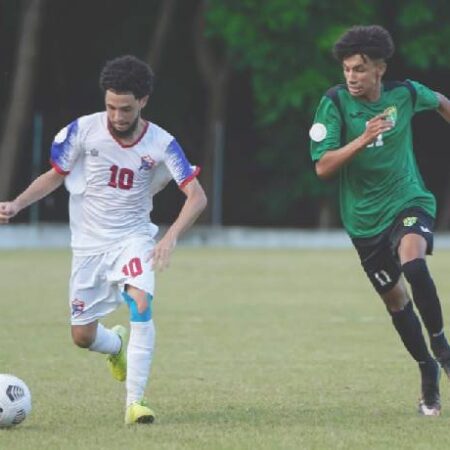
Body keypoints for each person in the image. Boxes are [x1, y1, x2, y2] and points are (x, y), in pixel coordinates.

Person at [0, 55, 207, 424]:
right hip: (88, 247)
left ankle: (135, 403)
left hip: (132, 238)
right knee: (82, 336)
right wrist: (16, 204)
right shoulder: (81, 131)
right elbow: (54, 175)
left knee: (141, 302)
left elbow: (197, 196)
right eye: (110, 106)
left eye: (125, 108)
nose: (116, 115)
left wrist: (170, 236)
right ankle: (116, 345)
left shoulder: (162, 143)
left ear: (143, 101)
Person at [309, 25, 450, 416]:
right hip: (364, 221)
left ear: (379, 69)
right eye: (347, 70)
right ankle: (427, 370)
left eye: (359, 69)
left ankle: (441, 344)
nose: (351, 77)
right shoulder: (334, 104)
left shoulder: (404, 94)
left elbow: (440, 101)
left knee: (414, 262)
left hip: (409, 199)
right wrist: (363, 138)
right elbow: (323, 166)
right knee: (395, 301)